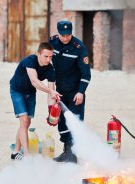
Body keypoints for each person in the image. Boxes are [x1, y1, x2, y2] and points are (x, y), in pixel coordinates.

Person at [49, 20, 91, 163]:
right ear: (58, 33)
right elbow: (45, 59)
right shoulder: (52, 43)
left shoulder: (79, 48)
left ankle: (73, 155)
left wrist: (81, 92)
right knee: (61, 122)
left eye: (68, 35)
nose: (66, 38)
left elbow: (86, 74)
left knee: (75, 122)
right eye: (63, 35)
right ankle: (66, 151)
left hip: (75, 92)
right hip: (60, 91)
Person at [9, 42, 61, 160]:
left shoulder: (50, 69)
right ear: (38, 54)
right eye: (45, 56)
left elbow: (51, 91)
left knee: (26, 123)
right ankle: (26, 155)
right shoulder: (30, 61)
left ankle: (15, 151)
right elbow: (35, 81)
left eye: (50, 57)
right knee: (23, 120)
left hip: (30, 93)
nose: (48, 60)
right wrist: (50, 91)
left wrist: (51, 112)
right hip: (17, 90)